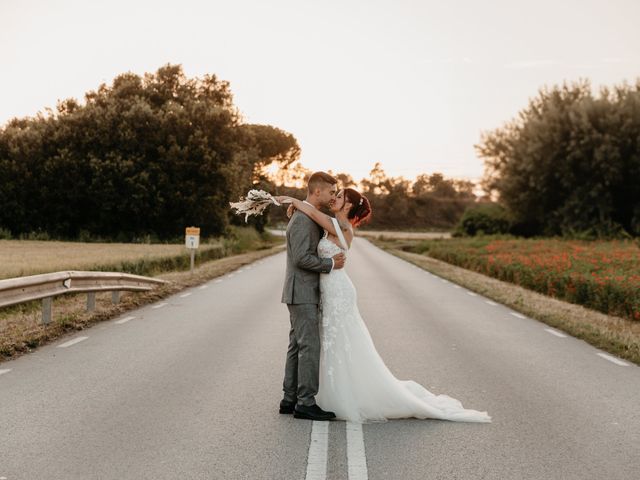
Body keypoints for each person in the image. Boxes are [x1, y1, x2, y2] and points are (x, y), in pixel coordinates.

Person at [276, 188, 492, 423]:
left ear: (348, 206)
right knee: (326, 341)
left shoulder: (341, 226)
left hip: (338, 291)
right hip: (328, 289)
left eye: (339, 197)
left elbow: (312, 213)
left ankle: (330, 395)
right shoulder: (332, 224)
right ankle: (314, 395)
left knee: (339, 341)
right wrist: (297, 206)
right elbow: (312, 216)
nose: (334, 198)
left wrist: (295, 201)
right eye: (335, 194)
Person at [279, 172, 346, 421]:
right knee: (309, 345)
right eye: (330, 191)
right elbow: (300, 258)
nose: (332, 196)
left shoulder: (308, 216)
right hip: (301, 291)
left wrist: (299, 204)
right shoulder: (301, 221)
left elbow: (331, 223)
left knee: (297, 344)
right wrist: (329, 263)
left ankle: (289, 399)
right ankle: (305, 402)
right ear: (317, 191)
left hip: (302, 290)